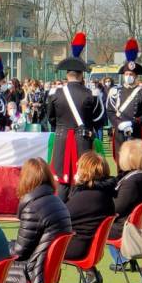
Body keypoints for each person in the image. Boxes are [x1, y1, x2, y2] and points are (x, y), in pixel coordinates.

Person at [6, 158, 73, 283]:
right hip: (45, 268)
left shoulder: (33, 208)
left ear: (26, 179)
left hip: (35, 270)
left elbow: (20, 252)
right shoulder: (57, 201)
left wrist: (3, 246)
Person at [48, 34, 100, 189]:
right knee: (82, 180)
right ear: (82, 74)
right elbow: (97, 120)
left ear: (66, 74)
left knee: (62, 184)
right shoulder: (90, 94)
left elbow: (51, 119)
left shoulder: (55, 94)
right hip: (82, 140)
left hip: (61, 138)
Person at [63, 151, 116, 283]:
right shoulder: (103, 194)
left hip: (78, 247)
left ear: (85, 172)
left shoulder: (87, 196)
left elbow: (61, 218)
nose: (76, 168)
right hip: (86, 244)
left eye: (79, 166)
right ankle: (91, 274)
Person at [107, 40, 142, 161]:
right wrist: (118, 124)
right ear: (123, 75)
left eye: (131, 74)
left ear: (136, 76)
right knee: (120, 162)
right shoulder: (115, 91)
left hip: (136, 132)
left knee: (135, 162)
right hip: (119, 132)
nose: (129, 76)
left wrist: (133, 123)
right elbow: (110, 111)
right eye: (127, 73)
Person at [108, 140, 142, 258]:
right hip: (128, 224)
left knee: (86, 225)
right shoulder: (139, 176)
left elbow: (116, 208)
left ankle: (91, 271)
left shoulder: (133, 181)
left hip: (121, 228)